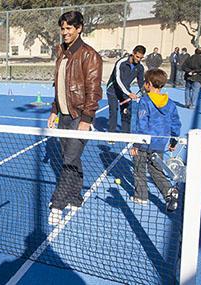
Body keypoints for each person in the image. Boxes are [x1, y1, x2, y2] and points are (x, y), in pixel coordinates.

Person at [46, 11, 103, 226]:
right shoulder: (62, 52)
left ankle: (58, 204)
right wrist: (54, 110)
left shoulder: (89, 55)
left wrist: (86, 119)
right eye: (62, 28)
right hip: (64, 116)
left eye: (69, 28)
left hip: (80, 117)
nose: (65, 32)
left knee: (69, 160)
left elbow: (94, 90)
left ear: (79, 28)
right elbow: (59, 85)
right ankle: (76, 197)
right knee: (71, 158)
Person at [130, 68, 181, 212]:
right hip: (160, 143)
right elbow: (176, 124)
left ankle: (141, 197)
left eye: (146, 82)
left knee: (139, 169)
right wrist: (173, 142)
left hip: (144, 143)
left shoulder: (145, 101)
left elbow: (141, 124)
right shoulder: (170, 103)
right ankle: (169, 191)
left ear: (148, 84)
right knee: (156, 171)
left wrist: (136, 144)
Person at [106, 45, 146, 134]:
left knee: (126, 112)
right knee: (114, 112)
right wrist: (128, 93)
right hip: (113, 90)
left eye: (141, 58)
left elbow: (140, 83)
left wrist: (146, 94)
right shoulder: (121, 62)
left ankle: (126, 134)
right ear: (133, 53)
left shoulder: (140, 67)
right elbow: (118, 80)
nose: (139, 59)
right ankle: (111, 134)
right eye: (137, 57)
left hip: (125, 91)